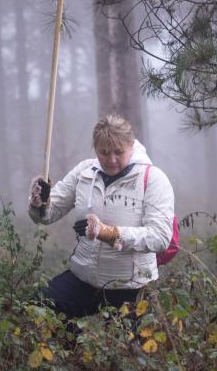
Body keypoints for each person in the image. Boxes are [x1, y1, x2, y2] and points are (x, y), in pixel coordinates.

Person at [28, 114, 175, 319]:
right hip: (83, 279)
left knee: (127, 348)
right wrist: (39, 202)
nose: (111, 160)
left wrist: (106, 232)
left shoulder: (153, 179)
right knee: (40, 306)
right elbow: (47, 215)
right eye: (104, 152)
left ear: (131, 146)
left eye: (118, 152)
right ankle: (72, 351)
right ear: (95, 148)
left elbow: (160, 238)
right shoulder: (84, 172)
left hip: (130, 286)